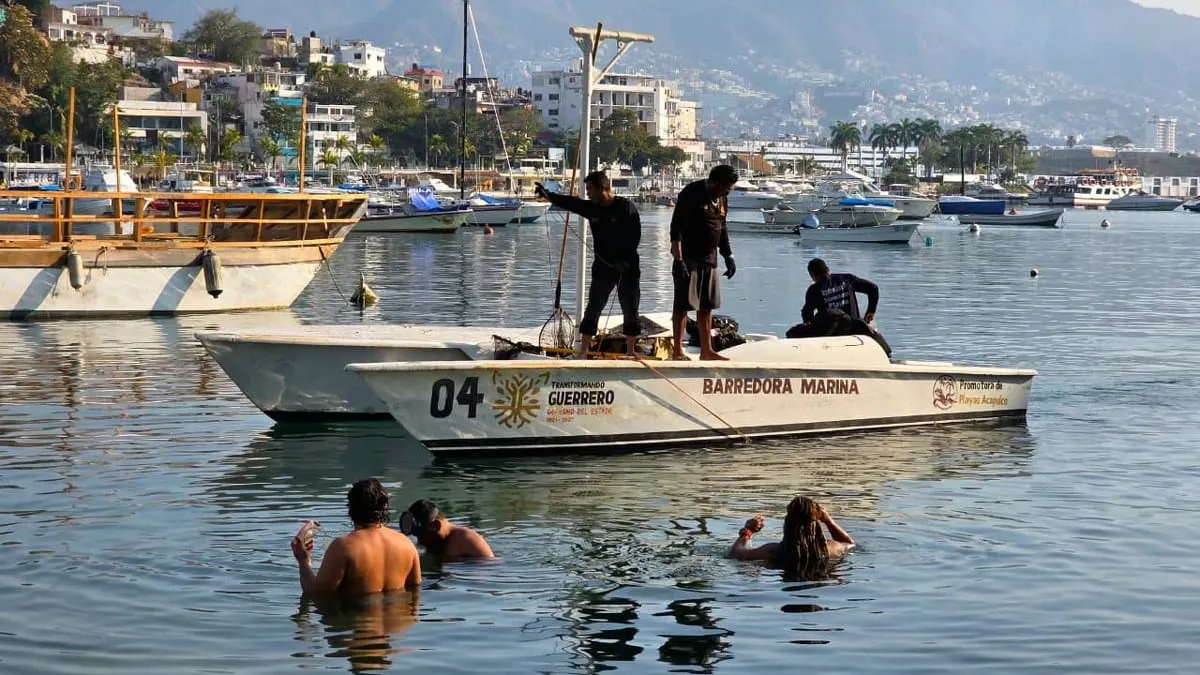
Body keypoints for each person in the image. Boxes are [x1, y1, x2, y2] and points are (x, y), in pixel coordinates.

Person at [535, 172, 642, 357]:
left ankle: (631, 351)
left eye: (590, 189)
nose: (588, 193)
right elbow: (572, 203)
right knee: (593, 307)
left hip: (627, 267)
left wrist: (623, 260)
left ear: (602, 188)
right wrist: (548, 195)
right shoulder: (592, 208)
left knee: (630, 308)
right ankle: (583, 350)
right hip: (602, 267)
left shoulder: (625, 207)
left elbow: (635, 235)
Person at [291, 478, 422, 595]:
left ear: (351, 509)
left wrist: (303, 561)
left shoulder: (344, 547)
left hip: (357, 621)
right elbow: (415, 591)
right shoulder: (407, 544)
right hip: (400, 621)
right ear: (386, 507)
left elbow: (317, 594)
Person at [669, 164, 739, 360]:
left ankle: (706, 351)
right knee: (682, 304)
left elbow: (722, 227)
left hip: (710, 258)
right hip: (688, 257)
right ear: (714, 181)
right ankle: (677, 351)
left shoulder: (723, 198)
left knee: (706, 305)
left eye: (729, 189)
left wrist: (728, 255)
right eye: (725, 188)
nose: (726, 192)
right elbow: (676, 228)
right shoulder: (692, 193)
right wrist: (678, 258)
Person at [727, 496, 855, 579]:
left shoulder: (772, 551)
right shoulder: (830, 548)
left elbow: (734, 554)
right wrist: (828, 520)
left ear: (787, 523)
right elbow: (849, 543)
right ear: (815, 524)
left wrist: (748, 531)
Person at [785, 258, 891, 355]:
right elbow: (873, 288)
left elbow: (806, 313)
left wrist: (812, 331)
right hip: (854, 329)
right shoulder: (847, 279)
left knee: (794, 331)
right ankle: (886, 353)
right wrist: (871, 311)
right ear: (828, 269)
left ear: (812, 276)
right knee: (860, 324)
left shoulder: (814, 289)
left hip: (832, 334)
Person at [399, 499, 495, 561]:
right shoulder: (437, 540)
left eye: (420, 535)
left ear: (435, 526)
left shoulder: (466, 539)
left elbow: (490, 568)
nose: (420, 541)